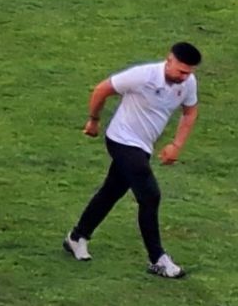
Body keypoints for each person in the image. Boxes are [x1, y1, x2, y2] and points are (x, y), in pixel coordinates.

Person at [65, 42, 202, 279]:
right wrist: (94, 120)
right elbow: (101, 89)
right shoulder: (142, 76)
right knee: (150, 195)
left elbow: (190, 111)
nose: (184, 77)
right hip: (121, 140)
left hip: (143, 146)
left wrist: (176, 145)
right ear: (169, 61)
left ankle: (77, 237)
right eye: (181, 71)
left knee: (111, 192)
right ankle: (157, 258)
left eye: (189, 73)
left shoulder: (187, 83)